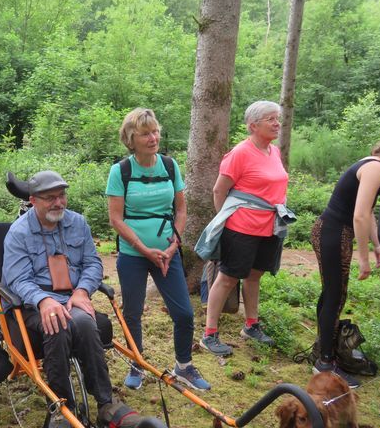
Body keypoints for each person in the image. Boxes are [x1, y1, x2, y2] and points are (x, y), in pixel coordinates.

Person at [2, 170, 145, 428]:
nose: (59, 203)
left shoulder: (77, 223)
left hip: (71, 297)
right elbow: (18, 280)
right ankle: (60, 406)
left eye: (62, 196)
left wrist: (82, 291)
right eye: (50, 198)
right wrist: (44, 301)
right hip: (33, 304)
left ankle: (105, 404)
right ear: (33, 200)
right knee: (56, 322)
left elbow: (92, 263)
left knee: (84, 320)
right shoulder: (18, 232)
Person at [106, 108, 211, 392]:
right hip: (132, 255)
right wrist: (143, 248)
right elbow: (115, 218)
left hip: (168, 252)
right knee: (133, 313)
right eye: (145, 133)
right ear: (131, 138)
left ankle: (185, 366)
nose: (153, 138)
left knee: (185, 314)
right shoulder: (121, 171)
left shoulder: (169, 165)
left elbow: (181, 208)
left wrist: (173, 245)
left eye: (155, 132)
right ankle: (136, 364)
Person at [311, 126, 380, 388]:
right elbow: (360, 215)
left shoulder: (377, 167)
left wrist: (379, 245)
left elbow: (369, 214)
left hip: (334, 232)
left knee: (332, 294)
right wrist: (363, 258)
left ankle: (323, 350)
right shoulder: (376, 168)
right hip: (334, 233)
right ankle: (324, 364)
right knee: (335, 296)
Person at [200, 101, 288, 357]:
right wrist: (226, 220)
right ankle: (209, 334)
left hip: (270, 225)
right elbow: (219, 190)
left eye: (277, 118)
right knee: (227, 277)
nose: (276, 123)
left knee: (254, 276)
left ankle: (251, 325)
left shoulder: (274, 151)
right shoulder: (240, 153)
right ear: (253, 125)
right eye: (270, 119)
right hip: (242, 227)